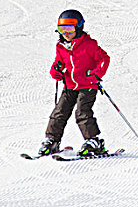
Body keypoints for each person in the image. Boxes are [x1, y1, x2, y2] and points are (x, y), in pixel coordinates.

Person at [38, 9, 110, 156]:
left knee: (82, 113)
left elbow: (104, 59)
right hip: (70, 85)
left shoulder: (89, 44)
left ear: (79, 27)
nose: (65, 32)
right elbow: (58, 63)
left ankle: (93, 141)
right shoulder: (61, 46)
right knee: (59, 112)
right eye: (62, 28)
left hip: (88, 85)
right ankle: (52, 140)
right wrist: (56, 71)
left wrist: (95, 74)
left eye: (69, 28)